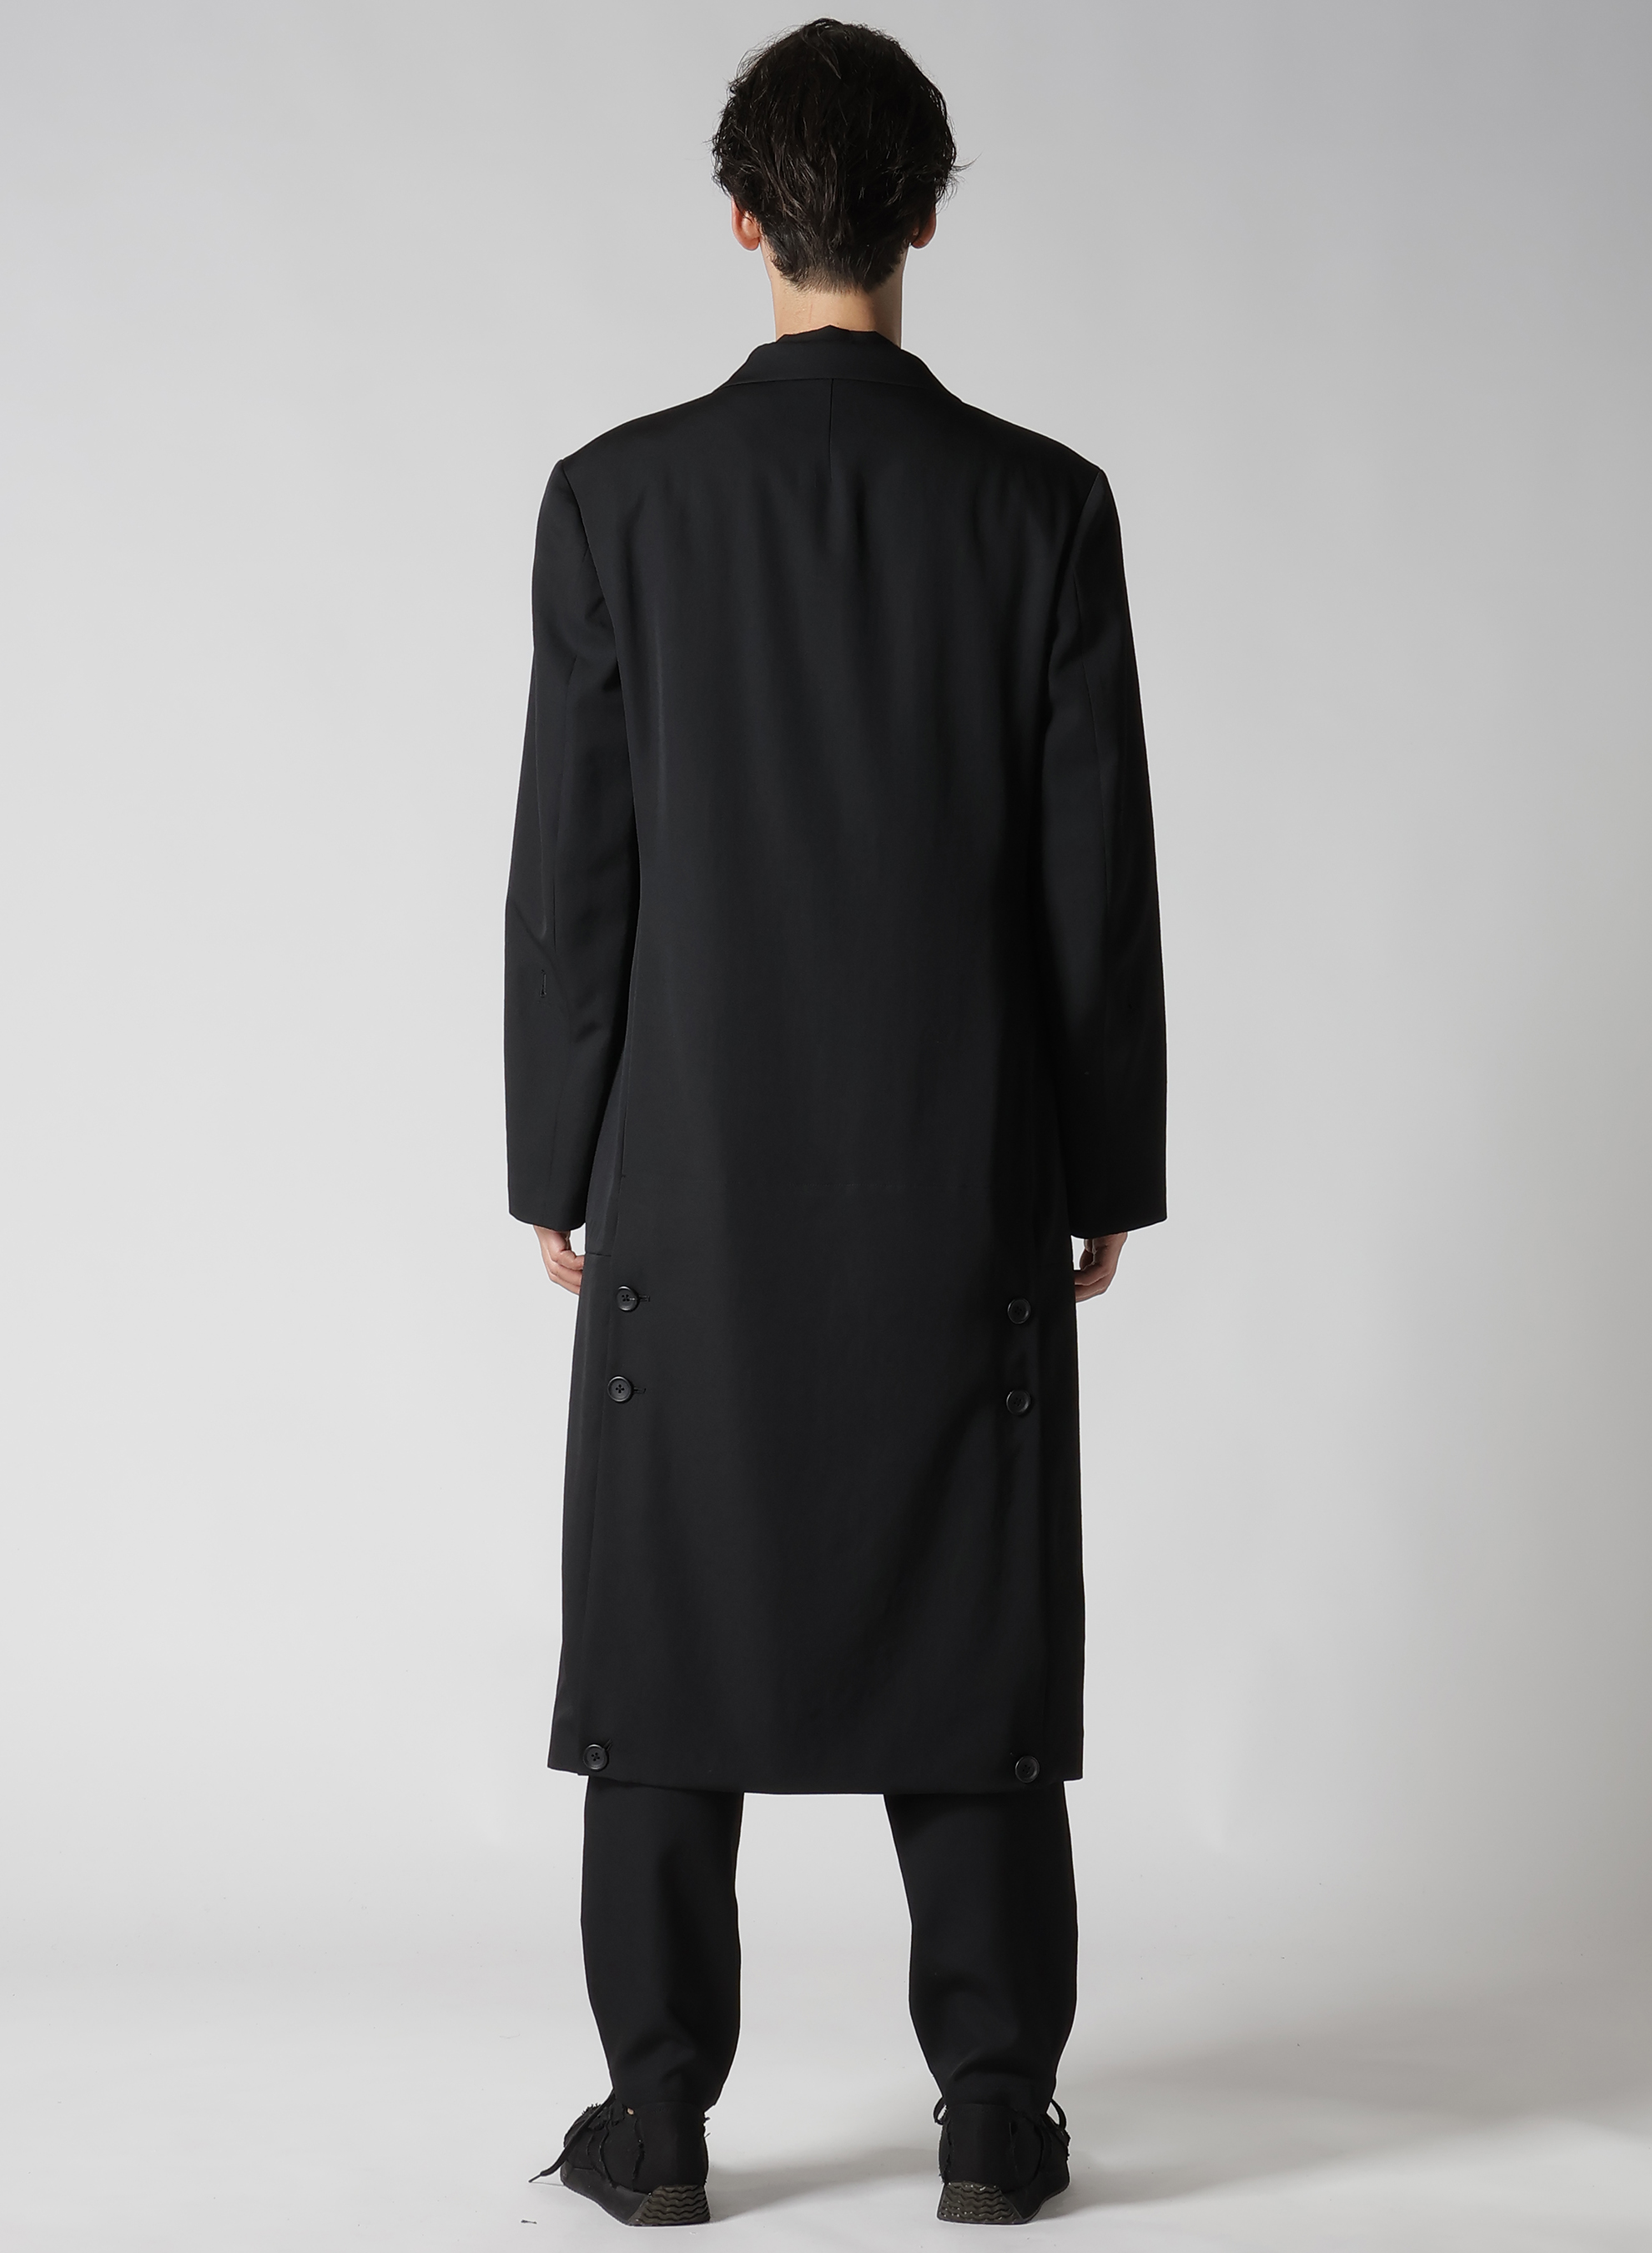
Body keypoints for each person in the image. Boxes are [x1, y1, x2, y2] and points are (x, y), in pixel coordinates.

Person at [504, 17, 1165, 2228]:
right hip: (962, 1169)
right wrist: (1104, 1167)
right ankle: (993, 2113)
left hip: (687, 1168)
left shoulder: (615, 501)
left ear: (740, 221)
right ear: (925, 219)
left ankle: (655, 2116)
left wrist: (553, 1155)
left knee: (666, 1624)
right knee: (969, 1625)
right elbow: (1090, 879)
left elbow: (575, 873)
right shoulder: (1041, 507)